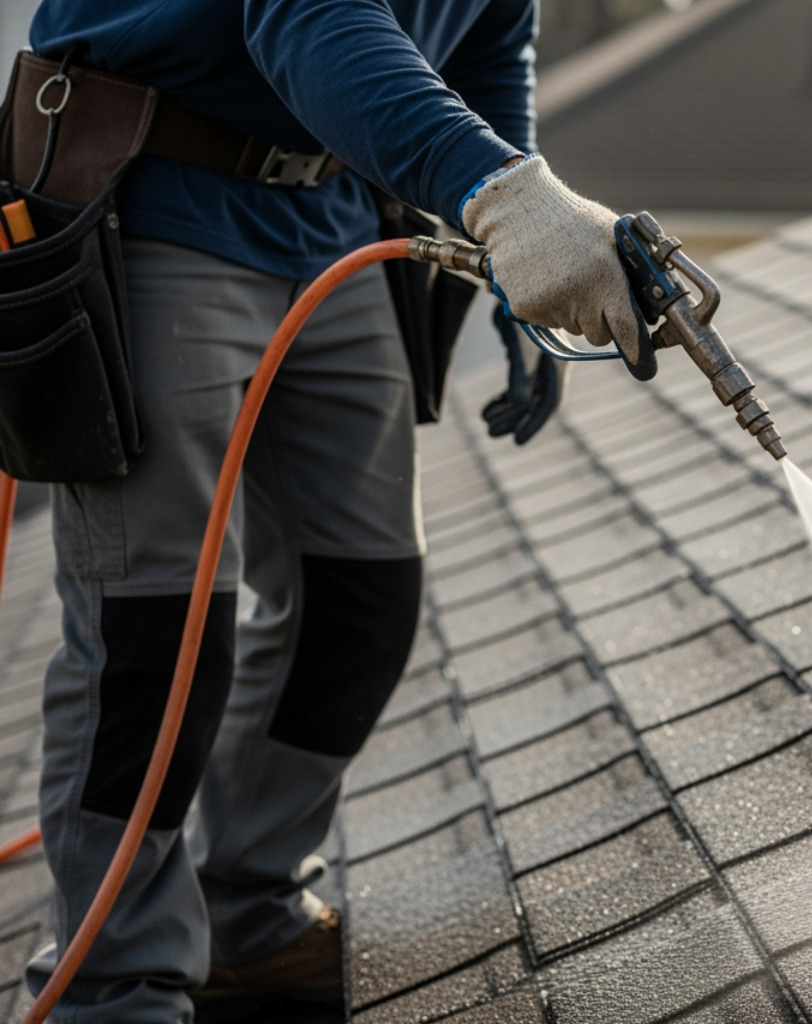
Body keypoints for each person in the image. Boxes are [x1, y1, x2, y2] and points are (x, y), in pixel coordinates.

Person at [23, 1, 642, 1020]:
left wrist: (516, 249)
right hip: (154, 200)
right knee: (155, 632)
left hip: (332, 217)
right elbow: (310, 16)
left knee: (361, 596)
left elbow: (491, 44)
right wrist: (505, 201)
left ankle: (248, 915)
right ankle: (111, 984)